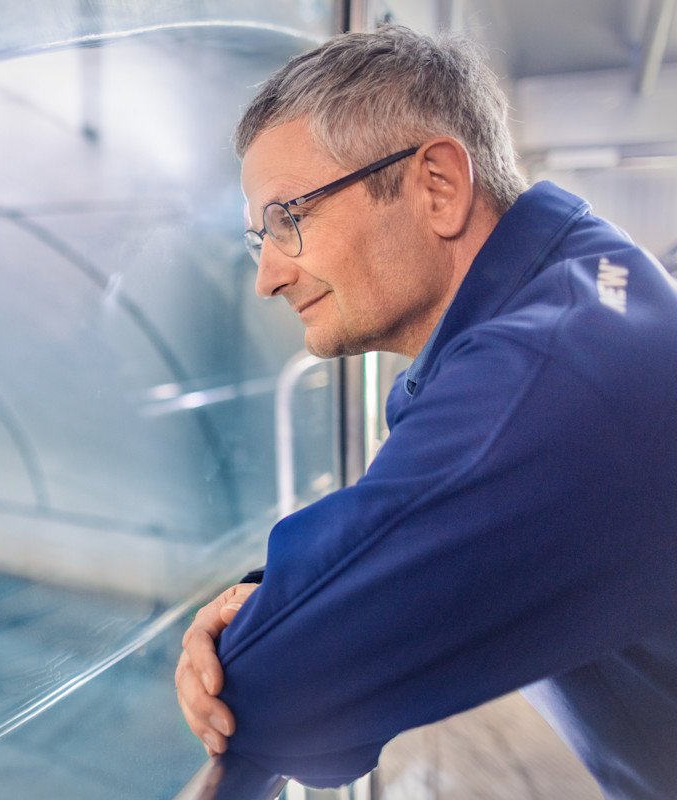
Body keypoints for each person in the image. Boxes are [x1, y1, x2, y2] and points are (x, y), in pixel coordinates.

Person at [174, 24, 677, 799]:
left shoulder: (551, 374)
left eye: (289, 219)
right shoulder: (580, 278)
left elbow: (277, 688)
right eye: (257, 239)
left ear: (438, 184)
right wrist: (272, 587)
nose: (267, 277)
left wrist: (259, 621)